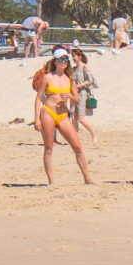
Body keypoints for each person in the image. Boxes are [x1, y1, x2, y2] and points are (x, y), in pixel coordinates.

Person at [31, 45, 94, 185]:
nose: (63, 62)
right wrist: (36, 118)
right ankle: (51, 181)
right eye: (60, 59)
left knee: (77, 146)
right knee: (48, 148)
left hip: (63, 114)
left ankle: (87, 178)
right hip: (48, 111)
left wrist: (71, 96)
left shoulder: (70, 79)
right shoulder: (47, 78)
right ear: (55, 61)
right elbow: (38, 98)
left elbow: (77, 100)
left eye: (65, 59)